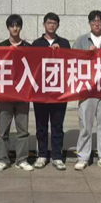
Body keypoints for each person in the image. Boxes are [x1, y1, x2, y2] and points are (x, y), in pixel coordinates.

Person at [74, 10, 101, 171]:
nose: (97, 24)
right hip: (87, 89)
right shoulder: (81, 40)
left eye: (99, 21)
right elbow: (72, 61)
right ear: (89, 23)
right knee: (85, 125)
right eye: (94, 21)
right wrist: (87, 54)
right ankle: (83, 157)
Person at [31, 12, 70, 171]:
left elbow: (70, 63)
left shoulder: (64, 43)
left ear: (58, 25)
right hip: (40, 92)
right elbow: (31, 65)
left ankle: (57, 156)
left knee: (57, 125)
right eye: (49, 22)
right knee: (41, 125)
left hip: (59, 92)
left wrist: (60, 52)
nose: (51, 25)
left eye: (54, 23)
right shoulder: (36, 44)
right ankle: (41, 155)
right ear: (44, 25)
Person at [0, 15, 33, 172]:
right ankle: (2, 160)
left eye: (17, 25)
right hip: (5, 94)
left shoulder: (28, 47)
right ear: (8, 28)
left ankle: (21, 159)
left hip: (22, 95)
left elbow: (36, 66)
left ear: (21, 27)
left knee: (22, 130)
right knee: (3, 130)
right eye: (12, 25)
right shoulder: (0, 46)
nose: (15, 28)